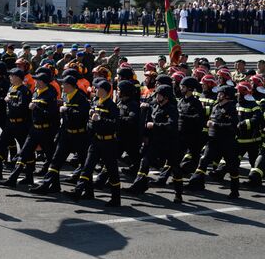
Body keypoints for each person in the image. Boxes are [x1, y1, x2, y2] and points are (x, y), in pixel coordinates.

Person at [64, 79, 122, 207]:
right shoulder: (95, 102)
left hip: (108, 142)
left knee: (112, 171)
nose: (95, 90)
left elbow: (115, 125)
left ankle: (116, 198)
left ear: (105, 91)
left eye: (98, 88)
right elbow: (90, 122)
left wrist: (100, 119)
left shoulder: (112, 106)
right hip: (95, 141)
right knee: (87, 167)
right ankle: (78, 192)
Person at [29, 75, 90, 194]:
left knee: (84, 163)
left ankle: (88, 191)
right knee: (56, 160)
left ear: (70, 86)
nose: (62, 86)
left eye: (64, 84)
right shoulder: (66, 96)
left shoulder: (81, 98)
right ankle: (47, 185)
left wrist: (68, 110)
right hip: (66, 134)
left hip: (79, 135)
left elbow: (83, 115)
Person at [0, 70, 58, 187]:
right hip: (34, 130)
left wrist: (36, 108)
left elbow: (51, 114)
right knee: (24, 153)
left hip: (45, 131)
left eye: (37, 80)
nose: (34, 81)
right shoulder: (36, 92)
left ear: (43, 82)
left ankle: (55, 185)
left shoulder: (49, 95)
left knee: (52, 158)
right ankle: (14, 178)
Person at [128, 85, 184, 203]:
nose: (156, 96)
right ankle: (137, 186)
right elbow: (149, 120)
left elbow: (171, 126)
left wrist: (155, 126)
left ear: (166, 97)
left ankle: (178, 194)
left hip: (170, 144)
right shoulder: (155, 107)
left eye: (159, 94)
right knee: (145, 162)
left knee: (175, 169)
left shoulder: (172, 109)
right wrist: (146, 136)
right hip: (155, 142)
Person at [187, 85, 240, 199]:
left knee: (232, 167)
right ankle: (195, 184)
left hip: (227, 142)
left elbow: (232, 126)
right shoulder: (215, 106)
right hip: (213, 141)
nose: (218, 95)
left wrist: (215, 125)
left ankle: (235, 191)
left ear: (226, 96)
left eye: (220, 94)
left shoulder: (231, 108)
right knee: (203, 161)